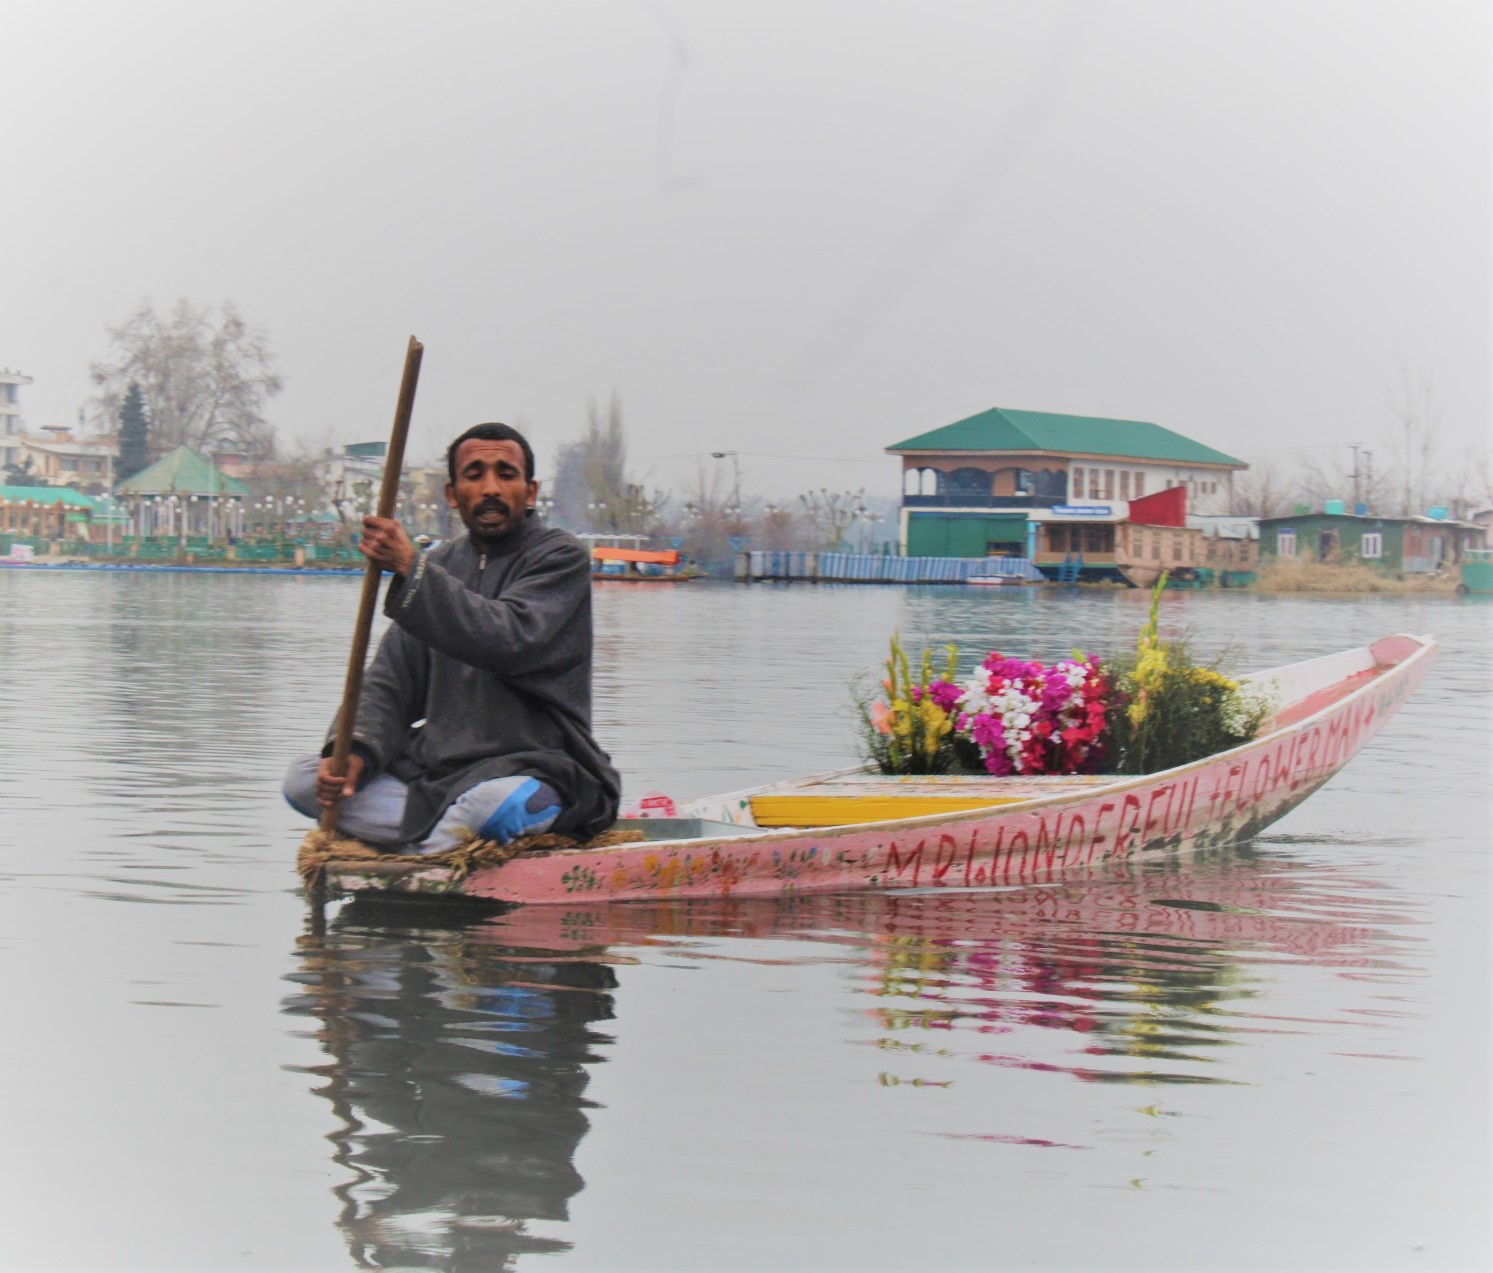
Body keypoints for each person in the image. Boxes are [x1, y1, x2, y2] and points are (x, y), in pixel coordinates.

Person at [284, 422, 620, 853]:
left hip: (536, 766)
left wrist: (411, 568)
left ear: (531, 491)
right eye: (475, 474)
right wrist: (355, 754)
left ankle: (424, 848)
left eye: (507, 474)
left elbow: (507, 637)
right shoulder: (439, 565)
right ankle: (441, 840)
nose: (491, 488)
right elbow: (389, 682)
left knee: (497, 805)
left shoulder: (559, 557)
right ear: (452, 494)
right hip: (438, 771)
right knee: (303, 780)